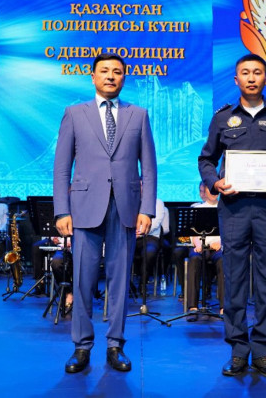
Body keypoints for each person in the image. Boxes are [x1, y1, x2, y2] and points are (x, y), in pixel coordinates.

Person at [199, 53, 266, 378]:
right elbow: (206, 159)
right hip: (234, 208)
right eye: (245, 73)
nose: (251, 77)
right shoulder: (223, 118)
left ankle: (261, 351)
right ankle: (237, 350)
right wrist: (215, 182)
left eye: (257, 72)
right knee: (234, 279)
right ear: (237, 79)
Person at [54, 52, 157, 373]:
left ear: (124, 77)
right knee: (82, 280)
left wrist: (147, 209)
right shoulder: (74, 113)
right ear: (93, 77)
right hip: (84, 207)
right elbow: (61, 168)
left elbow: (149, 168)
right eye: (104, 71)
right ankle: (82, 347)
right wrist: (61, 211)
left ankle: (115, 345)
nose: (111, 76)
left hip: (125, 207)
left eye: (117, 71)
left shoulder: (138, 115)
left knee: (120, 280)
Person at [185, 182, 223, 321]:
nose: (212, 193)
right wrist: (197, 243)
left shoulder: (224, 208)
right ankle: (193, 307)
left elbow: (230, 231)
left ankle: (224, 307)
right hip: (200, 246)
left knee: (223, 261)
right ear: (205, 191)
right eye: (209, 190)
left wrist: (221, 242)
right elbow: (192, 232)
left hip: (217, 248)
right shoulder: (198, 208)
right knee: (194, 259)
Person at [133, 196, 168, 288]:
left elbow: (155, 223)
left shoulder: (158, 202)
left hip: (150, 237)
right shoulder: (131, 199)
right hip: (132, 237)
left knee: (149, 253)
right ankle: (126, 285)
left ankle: (143, 284)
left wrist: (138, 233)